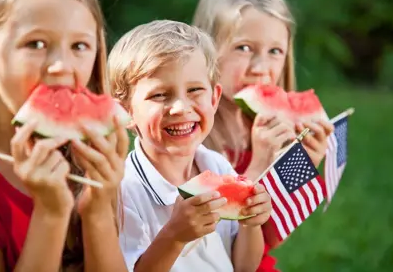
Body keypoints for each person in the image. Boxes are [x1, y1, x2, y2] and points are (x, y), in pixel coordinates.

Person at [0, 0, 129, 271]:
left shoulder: (88, 163)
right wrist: (51, 215)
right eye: (36, 44)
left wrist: (97, 210)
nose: (61, 66)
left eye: (79, 46)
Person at [192, 0, 335, 271]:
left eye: (274, 52)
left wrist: (303, 161)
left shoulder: (275, 128)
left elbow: (271, 236)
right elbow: (209, 243)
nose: (261, 67)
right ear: (207, 48)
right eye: (244, 48)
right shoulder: (191, 133)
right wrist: (257, 165)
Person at [108, 19, 272, 272]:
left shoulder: (218, 167)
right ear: (125, 111)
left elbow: (244, 266)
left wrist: (250, 224)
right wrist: (174, 236)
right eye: (160, 95)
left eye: (195, 90)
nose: (181, 108)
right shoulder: (124, 191)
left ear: (214, 98)